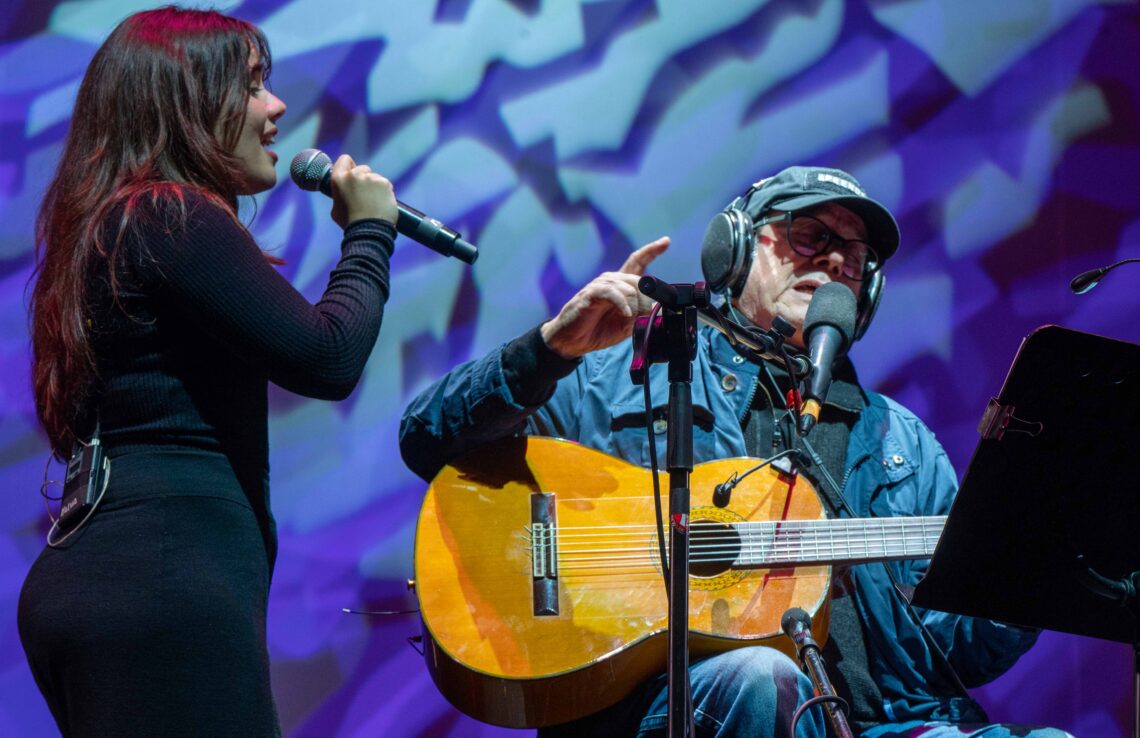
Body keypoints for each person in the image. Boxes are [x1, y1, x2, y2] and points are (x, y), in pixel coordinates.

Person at [399, 166, 1072, 737]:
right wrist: (545, 351)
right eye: (811, 236)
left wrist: (1029, 579)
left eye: (855, 256)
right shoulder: (622, 376)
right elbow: (427, 437)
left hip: (890, 721)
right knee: (762, 677)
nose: (836, 261)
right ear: (736, 248)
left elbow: (956, 646)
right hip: (669, 708)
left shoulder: (902, 443)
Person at [18, 7, 398, 736]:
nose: (277, 106)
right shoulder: (168, 216)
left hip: (111, 580)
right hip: (159, 585)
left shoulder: (115, 226)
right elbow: (327, 355)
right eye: (253, 85)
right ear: (187, 106)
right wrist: (370, 233)